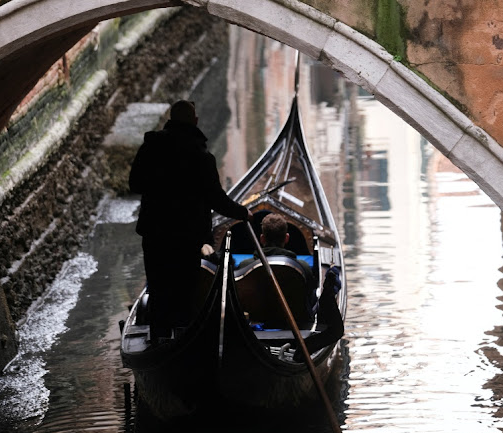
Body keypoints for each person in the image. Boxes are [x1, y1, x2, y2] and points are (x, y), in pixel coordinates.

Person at [129, 100, 251, 342]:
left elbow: (135, 184)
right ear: (195, 121)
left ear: (171, 119)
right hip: (187, 238)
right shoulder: (201, 156)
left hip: (155, 234)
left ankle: (159, 342)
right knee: (184, 292)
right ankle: (183, 343)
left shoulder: (151, 147)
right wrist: (243, 213)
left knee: (158, 287)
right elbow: (217, 200)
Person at [238, 213, 343, 359]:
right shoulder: (303, 267)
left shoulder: (244, 267)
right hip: (296, 327)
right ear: (286, 238)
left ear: (262, 239)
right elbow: (310, 296)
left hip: (255, 326)